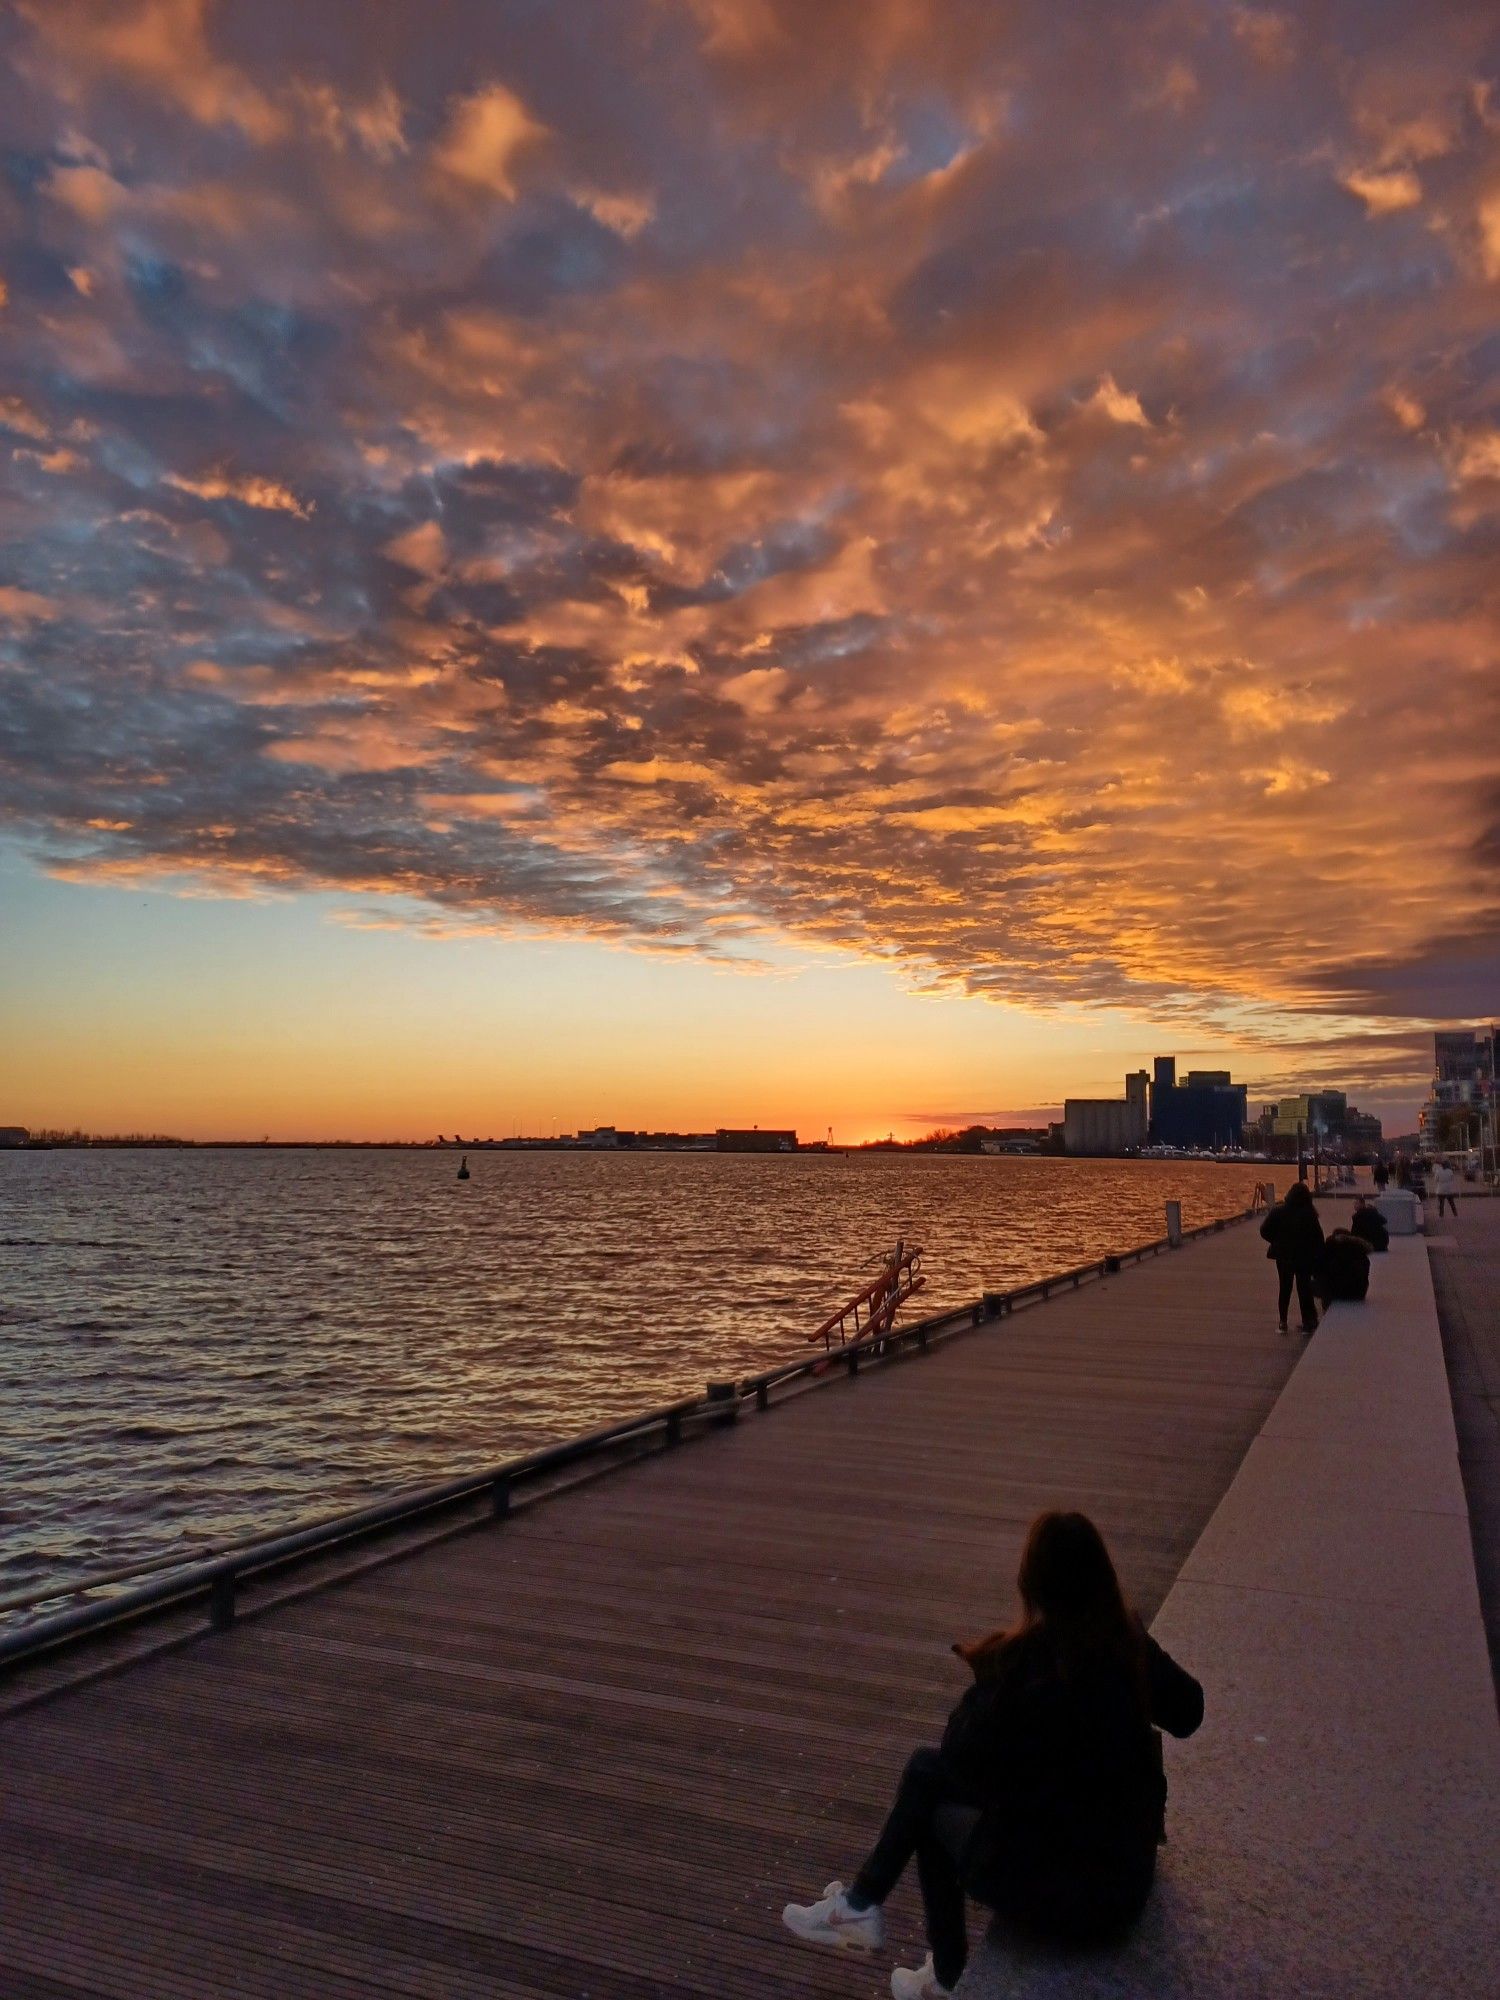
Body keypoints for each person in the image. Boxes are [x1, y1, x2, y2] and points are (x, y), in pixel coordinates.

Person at [781, 1512, 1204, 1999]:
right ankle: (863, 1907)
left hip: (1070, 1897)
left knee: (927, 1795)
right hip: (1126, 1878)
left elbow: (958, 1752)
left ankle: (938, 1968)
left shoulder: (1030, 1662)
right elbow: (1190, 1712)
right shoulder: (1126, 1643)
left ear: (1033, 1584)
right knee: (934, 1778)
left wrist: (990, 1671)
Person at [1259, 1178, 1324, 1333]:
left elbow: (1264, 1230)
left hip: (1284, 1256)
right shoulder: (1309, 1214)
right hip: (1304, 1256)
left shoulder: (1278, 1211)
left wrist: (1276, 1241)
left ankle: (1283, 1322)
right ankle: (1308, 1321)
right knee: (1304, 1288)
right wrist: (1319, 1256)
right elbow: (1317, 1237)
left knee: (1285, 1288)